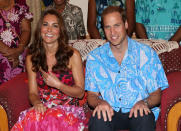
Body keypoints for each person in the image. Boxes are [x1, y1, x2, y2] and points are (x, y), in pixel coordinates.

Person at [85, 6, 169, 131]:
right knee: (98, 119)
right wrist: (100, 103)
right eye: (108, 27)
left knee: (144, 117)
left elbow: (156, 95)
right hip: (109, 111)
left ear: (126, 24)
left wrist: (144, 103)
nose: (112, 32)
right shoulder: (95, 57)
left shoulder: (147, 54)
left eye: (117, 25)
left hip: (138, 111)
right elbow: (91, 96)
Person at [11, 8, 87, 131]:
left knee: (51, 122)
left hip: (68, 110)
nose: (49, 30)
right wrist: (36, 103)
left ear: (60, 31)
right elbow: (32, 93)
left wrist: (58, 84)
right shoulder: (32, 57)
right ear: (40, 29)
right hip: (44, 108)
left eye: (54, 26)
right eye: (45, 25)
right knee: (29, 121)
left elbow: (80, 93)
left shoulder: (73, 55)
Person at [0, 0, 32, 85]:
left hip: (19, 56)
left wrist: (19, 50)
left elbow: (26, 30)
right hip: (3, 56)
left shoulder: (20, 3)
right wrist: (10, 53)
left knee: (17, 91)